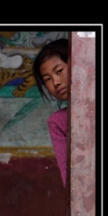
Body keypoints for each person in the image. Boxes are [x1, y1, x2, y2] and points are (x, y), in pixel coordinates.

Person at [32, 38, 69, 188]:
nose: (55, 82)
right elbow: (68, 178)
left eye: (59, 71)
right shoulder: (58, 122)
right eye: (47, 79)